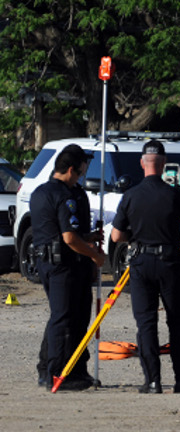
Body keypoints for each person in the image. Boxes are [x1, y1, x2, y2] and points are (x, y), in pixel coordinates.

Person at [111, 140, 180, 394]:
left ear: (142, 163)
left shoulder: (130, 195)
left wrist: (135, 234)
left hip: (141, 262)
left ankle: (152, 381)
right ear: (164, 164)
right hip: (170, 262)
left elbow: (116, 236)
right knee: (177, 322)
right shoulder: (175, 193)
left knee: (146, 323)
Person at [31, 144, 106, 390]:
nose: (84, 174)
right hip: (65, 264)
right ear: (72, 169)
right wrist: (95, 256)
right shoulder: (65, 195)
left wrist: (90, 236)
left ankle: (56, 369)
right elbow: (69, 238)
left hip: (49, 263)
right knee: (66, 319)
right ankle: (59, 374)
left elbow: (64, 231)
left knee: (63, 316)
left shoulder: (40, 192)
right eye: (83, 169)